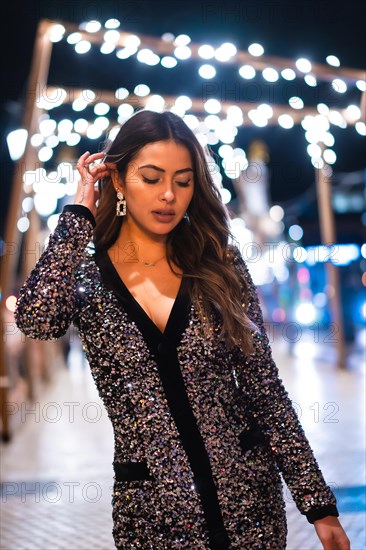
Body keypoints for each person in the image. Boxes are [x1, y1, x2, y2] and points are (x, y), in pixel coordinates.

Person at [15, 109, 350, 550]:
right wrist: (79, 208)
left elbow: (265, 393)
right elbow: (36, 317)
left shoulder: (220, 265)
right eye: (151, 178)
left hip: (249, 509)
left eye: (183, 180)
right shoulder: (87, 279)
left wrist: (318, 505)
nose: (169, 195)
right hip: (152, 516)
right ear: (117, 180)